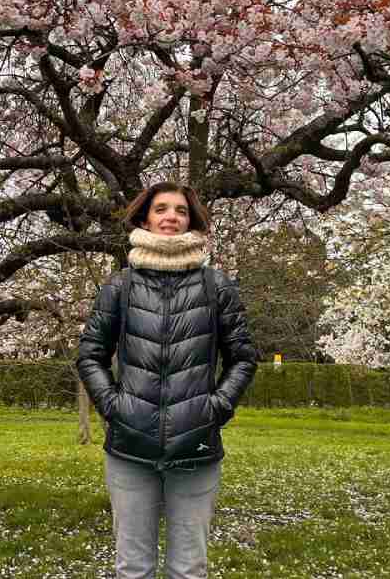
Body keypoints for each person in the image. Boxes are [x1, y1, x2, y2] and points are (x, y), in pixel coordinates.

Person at [77, 182, 258, 579]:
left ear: (191, 220)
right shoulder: (119, 286)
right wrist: (113, 407)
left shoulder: (217, 286)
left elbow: (243, 358)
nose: (171, 217)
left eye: (180, 210)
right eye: (161, 209)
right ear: (145, 218)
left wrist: (216, 409)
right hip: (129, 446)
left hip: (196, 445)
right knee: (132, 566)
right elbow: (90, 355)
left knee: (189, 567)